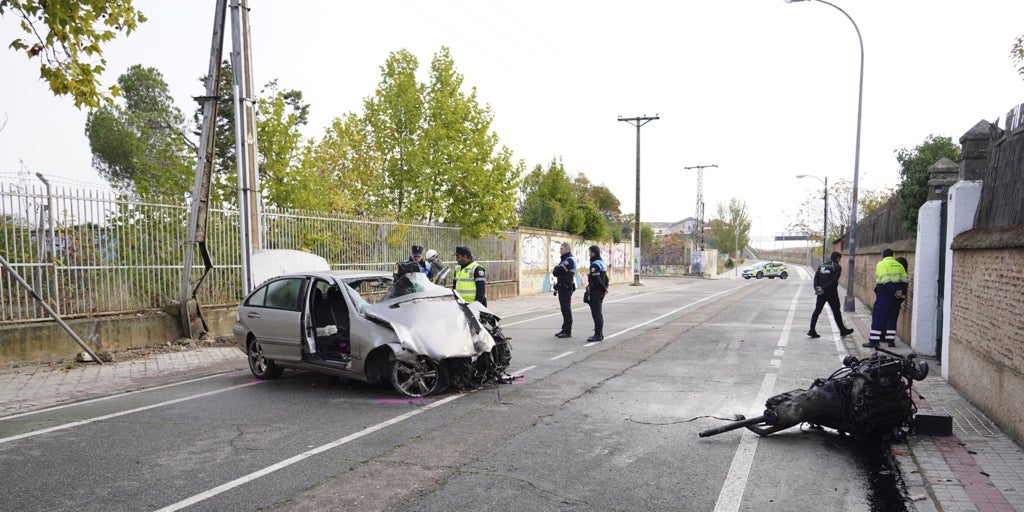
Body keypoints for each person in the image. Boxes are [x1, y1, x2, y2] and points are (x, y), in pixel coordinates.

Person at [865, 248, 909, 348]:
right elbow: (905, 280)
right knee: (892, 318)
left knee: (878, 317)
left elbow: (885, 280)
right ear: (892, 255)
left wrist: (894, 291)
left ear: (882, 255)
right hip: (896, 298)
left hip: (884, 296)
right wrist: (901, 291)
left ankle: (874, 341)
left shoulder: (881, 264)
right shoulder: (899, 265)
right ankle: (890, 341)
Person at [807, 251, 855, 339]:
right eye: (839, 259)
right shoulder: (837, 267)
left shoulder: (822, 265)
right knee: (836, 312)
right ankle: (843, 330)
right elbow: (834, 281)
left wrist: (817, 287)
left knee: (817, 311)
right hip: (831, 293)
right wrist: (824, 288)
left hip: (821, 293)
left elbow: (816, 277)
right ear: (838, 258)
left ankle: (812, 330)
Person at [552, 242, 578, 338]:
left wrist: (556, 269)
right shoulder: (564, 260)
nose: (560, 251)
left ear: (567, 249)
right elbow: (557, 272)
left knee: (566, 309)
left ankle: (567, 331)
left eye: (561, 249)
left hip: (566, 288)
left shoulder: (569, 260)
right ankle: (564, 329)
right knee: (564, 309)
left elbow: (557, 271)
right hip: (562, 288)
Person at [585, 245, 609, 342]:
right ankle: (599, 334)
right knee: (598, 313)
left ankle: (598, 334)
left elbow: (597, 279)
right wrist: (605, 288)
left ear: (593, 253)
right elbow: (606, 279)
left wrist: (604, 289)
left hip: (596, 291)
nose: (589, 254)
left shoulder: (594, 265)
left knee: (596, 314)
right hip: (600, 292)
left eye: (589, 252)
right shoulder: (601, 263)